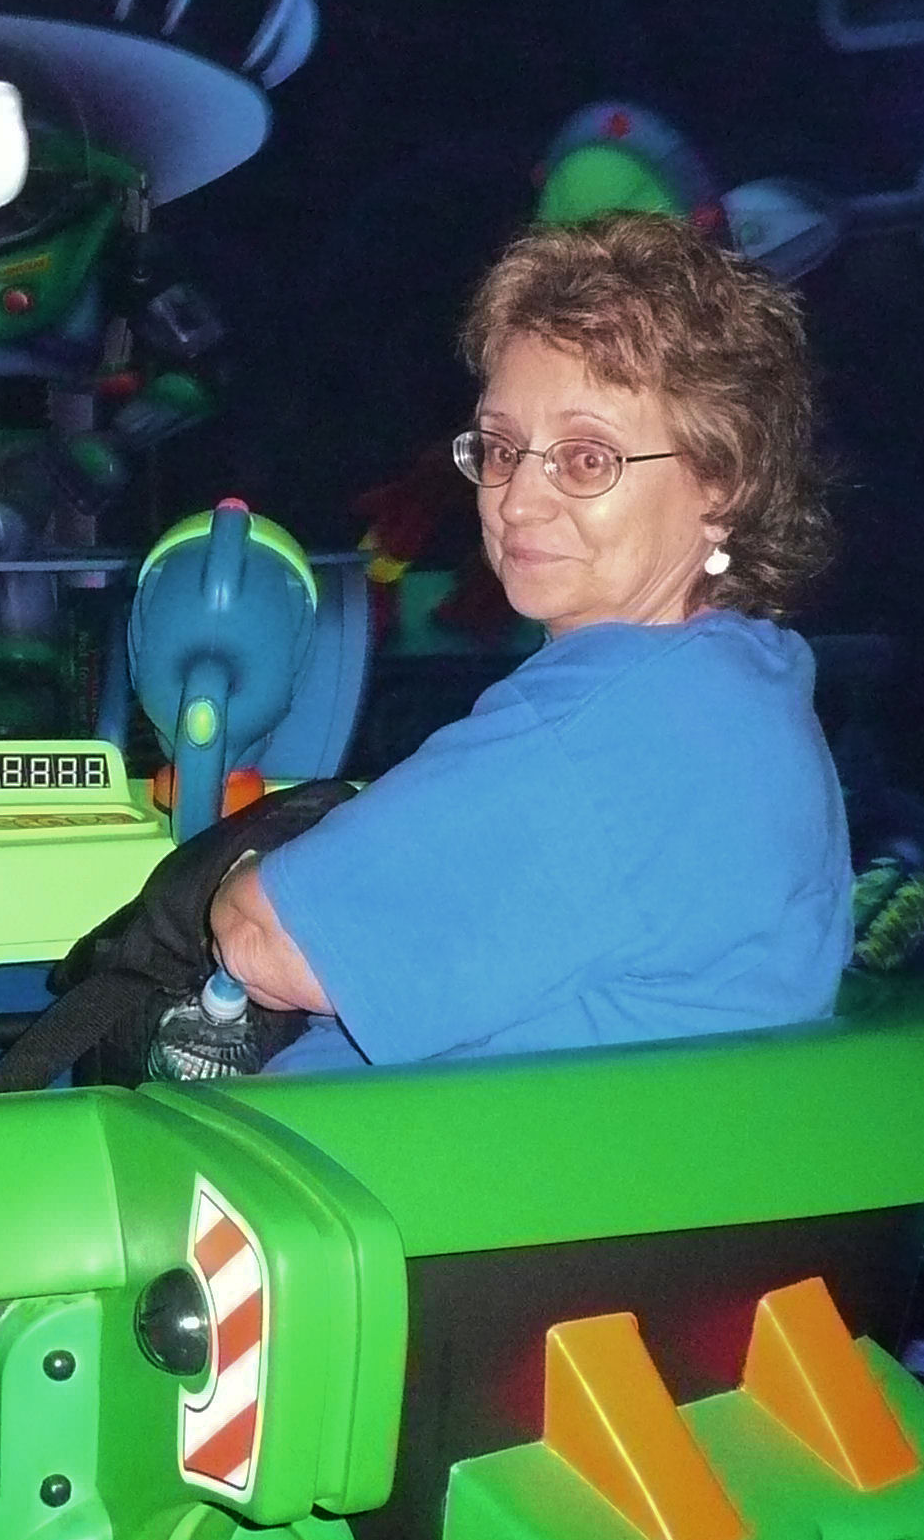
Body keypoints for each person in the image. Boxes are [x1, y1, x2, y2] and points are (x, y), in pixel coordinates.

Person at [208, 209, 849, 1066]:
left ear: (722, 484)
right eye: (503, 449)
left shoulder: (620, 723)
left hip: (430, 1192)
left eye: (587, 459)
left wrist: (222, 878)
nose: (516, 499)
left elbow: (266, 942)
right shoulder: (743, 684)